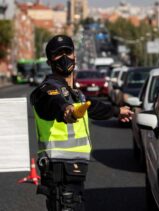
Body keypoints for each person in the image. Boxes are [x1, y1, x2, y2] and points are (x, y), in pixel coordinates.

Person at [30, 35, 133, 211]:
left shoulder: (74, 92)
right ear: (49, 61)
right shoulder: (47, 89)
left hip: (72, 172)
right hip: (59, 173)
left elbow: (92, 106)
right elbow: (55, 102)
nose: (64, 58)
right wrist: (67, 110)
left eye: (67, 52)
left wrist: (118, 111)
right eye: (58, 54)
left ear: (75, 55)